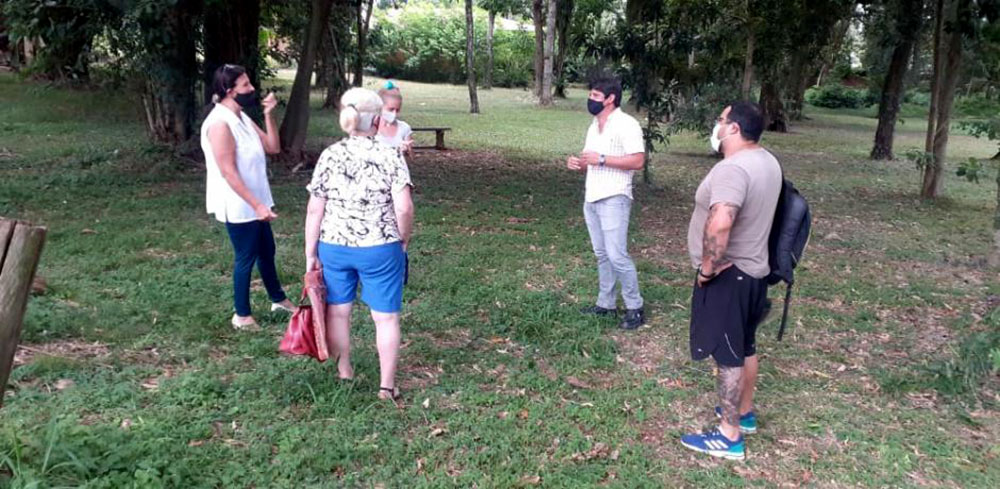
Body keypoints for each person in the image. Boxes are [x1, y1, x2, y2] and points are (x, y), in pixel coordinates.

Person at [680, 101, 782, 461]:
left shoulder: (732, 169)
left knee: (727, 355)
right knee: (744, 346)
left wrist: (708, 267)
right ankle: (745, 413)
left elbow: (722, 220)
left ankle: (729, 435)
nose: (717, 125)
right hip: (755, 273)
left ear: (734, 128)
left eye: (721, 120)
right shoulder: (768, 161)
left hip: (729, 277)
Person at [305, 87, 415, 401]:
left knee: (339, 313)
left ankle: (345, 372)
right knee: (386, 318)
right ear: (378, 120)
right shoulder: (389, 154)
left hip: (334, 246)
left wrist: (310, 252)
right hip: (381, 247)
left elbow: (315, 208)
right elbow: (404, 207)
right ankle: (386, 386)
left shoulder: (330, 154)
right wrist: (403, 239)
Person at [201, 64, 294, 330]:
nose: (251, 89)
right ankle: (241, 315)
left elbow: (273, 147)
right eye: (244, 85)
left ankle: (278, 299)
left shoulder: (241, 117)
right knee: (246, 256)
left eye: (249, 83)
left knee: (267, 250)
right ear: (229, 91)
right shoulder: (219, 124)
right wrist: (256, 205)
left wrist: (268, 114)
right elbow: (228, 172)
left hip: (257, 200)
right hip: (240, 203)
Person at [565, 74, 647, 330]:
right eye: (590, 95)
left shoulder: (626, 124)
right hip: (592, 196)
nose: (591, 100)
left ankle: (635, 306)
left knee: (617, 254)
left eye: (596, 96)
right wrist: (578, 164)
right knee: (602, 254)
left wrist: (601, 159)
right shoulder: (594, 125)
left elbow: (637, 161)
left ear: (611, 99)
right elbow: (591, 160)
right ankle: (606, 303)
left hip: (614, 197)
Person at [376, 81, 414, 155]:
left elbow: (411, 157)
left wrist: (406, 150)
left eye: (397, 110)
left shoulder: (404, 127)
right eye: (391, 109)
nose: (394, 113)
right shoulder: (369, 128)